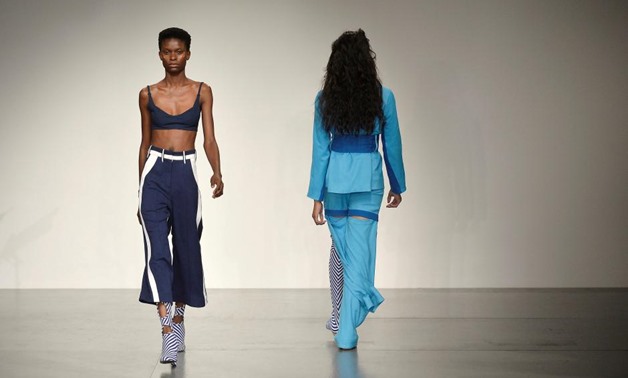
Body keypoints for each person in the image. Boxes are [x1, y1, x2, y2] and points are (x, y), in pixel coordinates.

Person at [308, 29, 406, 350]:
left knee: (342, 252)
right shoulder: (383, 96)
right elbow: (391, 145)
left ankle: (339, 316)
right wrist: (397, 185)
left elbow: (321, 150)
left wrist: (316, 197)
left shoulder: (325, 99)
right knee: (358, 256)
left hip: (335, 183)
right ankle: (346, 328)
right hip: (368, 182)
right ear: (368, 62)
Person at [137, 27, 224, 366]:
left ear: (188, 53)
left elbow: (209, 138)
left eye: (178, 51)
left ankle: (180, 320)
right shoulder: (147, 94)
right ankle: (167, 330)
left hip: (187, 171)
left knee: (186, 249)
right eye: (167, 51)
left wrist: (217, 171)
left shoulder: (202, 91)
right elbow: (144, 143)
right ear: (159, 54)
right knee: (157, 250)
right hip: (155, 172)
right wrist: (138, 190)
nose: (172, 57)